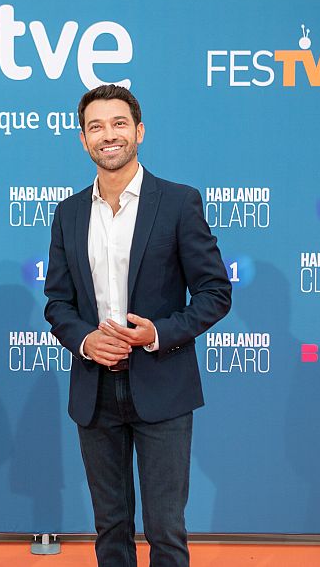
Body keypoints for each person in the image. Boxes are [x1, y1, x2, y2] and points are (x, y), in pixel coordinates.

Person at [44, 85, 231, 566]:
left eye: (119, 123)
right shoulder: (67, 214)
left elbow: (215, 293)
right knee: (110, 528)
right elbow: (57, 303)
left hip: (162, 386)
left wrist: (158, 334)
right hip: (95, 391)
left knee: (167, 530)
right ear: (82, 140)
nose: (109, 135)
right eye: (96, 127)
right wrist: (85, 341)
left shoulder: (178, 203)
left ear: (139, 131)